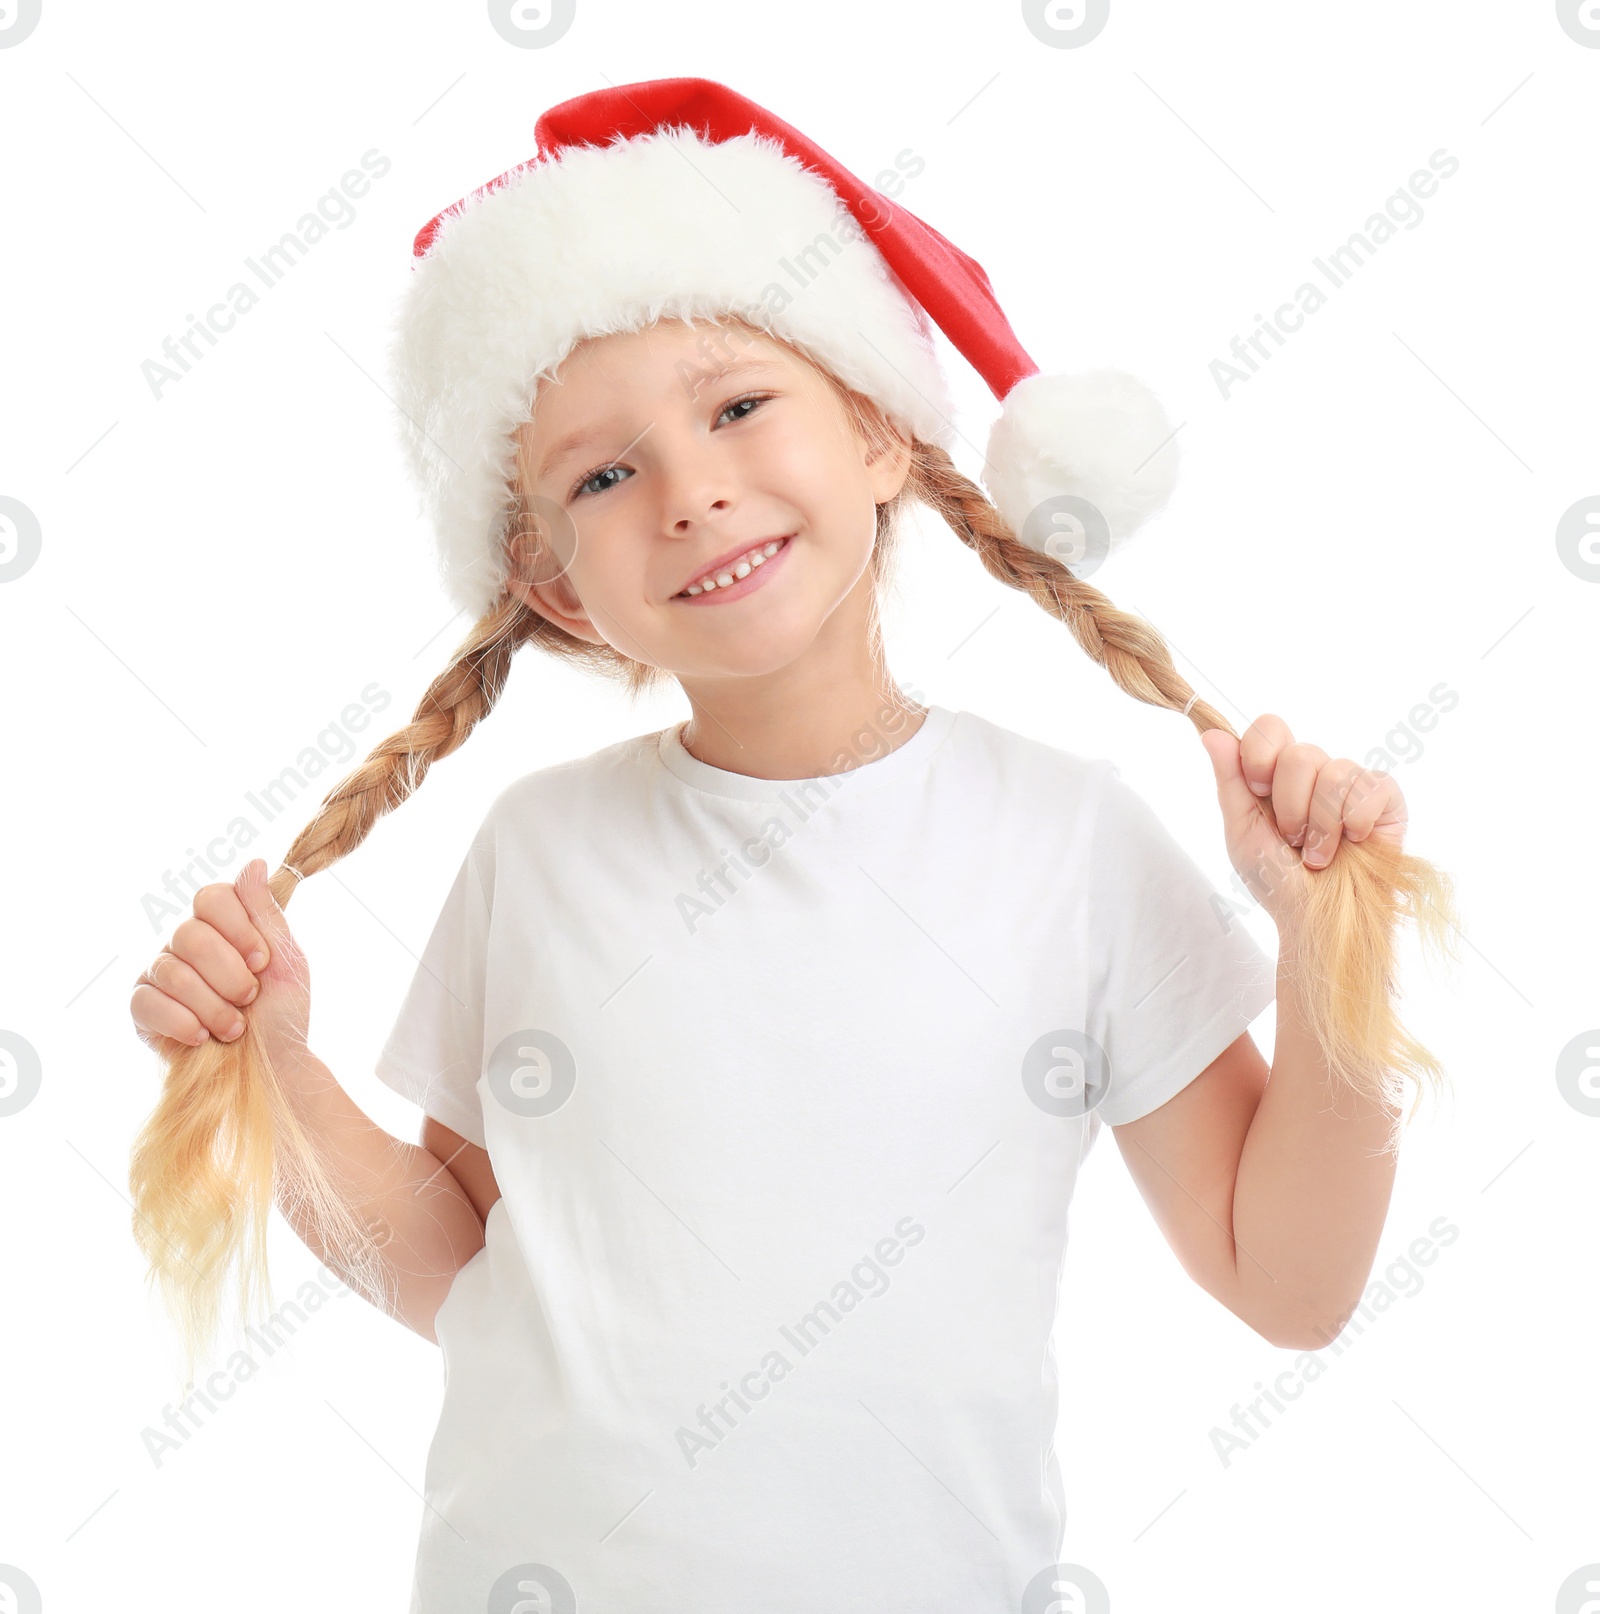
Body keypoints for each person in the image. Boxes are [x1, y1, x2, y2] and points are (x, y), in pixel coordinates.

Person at [127, 77, 1458, 1613]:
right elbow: (458, 1265)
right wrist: (272, 1063)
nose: (691, 492)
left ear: (885, 434)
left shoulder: (1068, 837)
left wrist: (1322, 946)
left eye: (739, 404)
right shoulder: (537, 849)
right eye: (602, 476)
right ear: (557, 589)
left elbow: (1287, 1283)